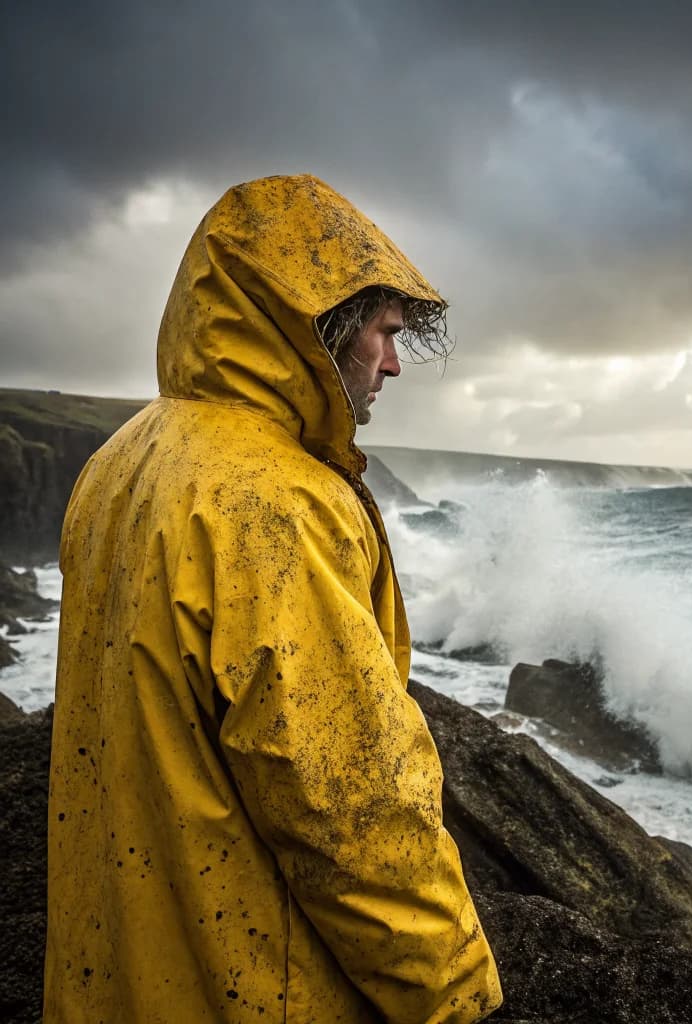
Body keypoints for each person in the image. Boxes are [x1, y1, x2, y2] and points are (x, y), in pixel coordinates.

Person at [44, 175, 502, 1023]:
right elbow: (350, 807)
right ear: (313, 325)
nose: (395, 363)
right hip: (248, 987)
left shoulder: (117, 464)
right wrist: (458, 994)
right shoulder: (273, 506)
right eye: (381, 334)